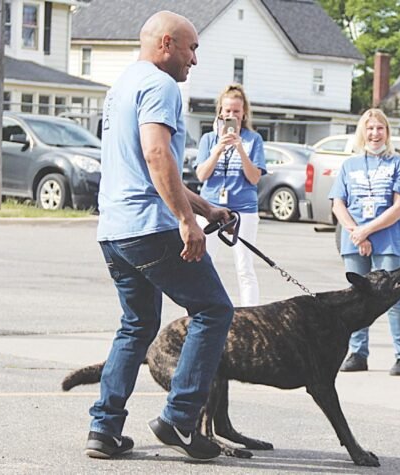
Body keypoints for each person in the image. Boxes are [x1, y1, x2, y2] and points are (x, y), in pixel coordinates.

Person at [87, 11, 235, 462]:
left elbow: (150, 166)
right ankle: (180, 419)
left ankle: (104, 428)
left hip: (114, 230)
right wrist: (187, 223)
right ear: (167, 44)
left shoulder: (122, 86)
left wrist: (206, 207)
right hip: (148, 228)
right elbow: (156, 155)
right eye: (191, 49)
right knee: (213, 309)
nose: (194, 60)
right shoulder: (161, 85)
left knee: (137, 325)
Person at [329, 108, 400, 376]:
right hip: (353, 238)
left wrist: (367, 231)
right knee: (356, 298)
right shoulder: (349, 165)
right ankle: (358, 353)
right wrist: (356, 232)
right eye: (369, 128)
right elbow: (338, 203)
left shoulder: (397, 164)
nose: (374, 133)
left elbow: (399, 206)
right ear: (362, 133)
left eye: (380, 128)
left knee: (392, 298)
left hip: (386, 239)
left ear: (387, 133)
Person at [194, 84, 266, 307]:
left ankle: (249, 313)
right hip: (211, 207)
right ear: (220, 112)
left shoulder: (253, 139)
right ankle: (202, 308)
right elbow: (201, 175)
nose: (231, 115)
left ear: (244, 113)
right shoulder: (208, 139)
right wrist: (218, 150)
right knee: (203, 263)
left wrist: (240, 149)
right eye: (227, 111)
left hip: (243, 209)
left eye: (236, 111)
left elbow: (254, 178)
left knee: (244, 266)